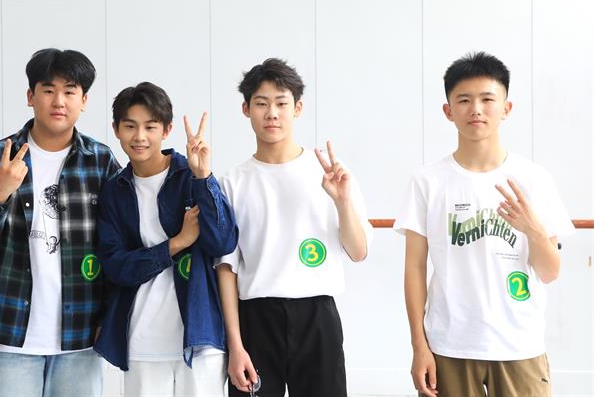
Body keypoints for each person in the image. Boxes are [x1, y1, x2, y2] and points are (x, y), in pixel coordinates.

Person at [395, 51, 575, 397]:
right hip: (448, 345)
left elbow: (550, 272)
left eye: (487, 99)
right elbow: (414, 268)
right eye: (464, 100)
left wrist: (533, 229)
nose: (476, 109)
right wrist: (419, 345)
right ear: (448, 111)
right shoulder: (427, 181)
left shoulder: (534, 179)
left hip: (520, 346)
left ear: (506, 108)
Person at [0, 48, 121, 396]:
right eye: (48, 90)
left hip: (81, 336)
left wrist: (111, 317)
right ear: (31, 96)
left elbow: (117, 245)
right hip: (7, 335)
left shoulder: (100, 162)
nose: (58, 101)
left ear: (84, 100)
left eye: (70, 91)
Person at [215, 58, 373, 397]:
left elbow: (359, 251)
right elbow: (227, 268)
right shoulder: (232, 182)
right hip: (256, 318)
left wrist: (342, 201)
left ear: (297, 108)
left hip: (318, 316)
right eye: (261, 103)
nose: (272, 113)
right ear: (246, 109)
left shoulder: (329, 173)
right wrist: (235, 346)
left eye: (281, 103)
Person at [93, 82, 238, 396]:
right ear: (116, 129)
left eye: (150, 127)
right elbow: (116, 266)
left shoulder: (191, 176)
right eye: (130, 126)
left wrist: (203, 178)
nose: (140, 136)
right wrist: (176, 243)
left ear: (167, 130)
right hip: (142, 341)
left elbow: (224, 242)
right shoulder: (115, 191)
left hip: (199, 338)